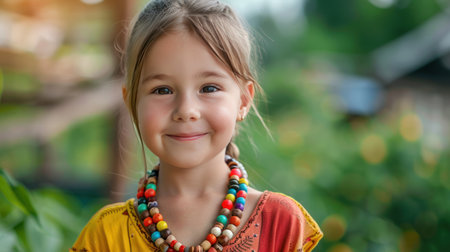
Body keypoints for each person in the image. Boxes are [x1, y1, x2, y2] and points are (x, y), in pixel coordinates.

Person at [71, 0, 322, 251]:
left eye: (209, 88)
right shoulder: (106, 235)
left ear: (243, 101)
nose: (186, 110)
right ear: (131, 102)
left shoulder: (279, 223)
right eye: (162, 90)